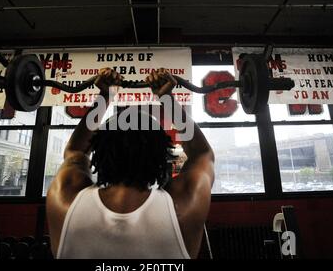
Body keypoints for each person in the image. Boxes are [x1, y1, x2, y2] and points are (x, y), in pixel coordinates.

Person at [46, 67, 215, 259]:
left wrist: (105, 96)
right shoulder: (183, 205)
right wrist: (167, 99)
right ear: (161, 156)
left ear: (99, 152)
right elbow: (202, 154)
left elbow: (75, 151)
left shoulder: (66, 198)